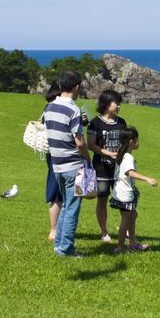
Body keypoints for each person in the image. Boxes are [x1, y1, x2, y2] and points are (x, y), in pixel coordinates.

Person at [43, 70, 91, 258]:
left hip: (57, 165)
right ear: (77, 87)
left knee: (65, 205)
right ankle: (66, 249)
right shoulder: (74, 110)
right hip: (73, 165)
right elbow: (79, 142)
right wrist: (87, 159)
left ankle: (59, 244)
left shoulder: (49, 107)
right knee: (72, 207)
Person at [86, 90, 126, 244]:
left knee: (123, 198)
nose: (119, 106)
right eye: (117, 103)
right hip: (101, 168)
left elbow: (126, 142)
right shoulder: (95, 123)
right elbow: (91, 145)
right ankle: (104, 232)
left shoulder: (121, 122)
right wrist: (109, 154)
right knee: (102, 199)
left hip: (118, 168)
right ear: (107, 104)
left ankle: (126, 229)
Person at [110, 127, 158, 253]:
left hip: (122, 191)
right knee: (126, 220)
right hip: (124, 193)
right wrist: (147, 179)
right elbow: (129, 172)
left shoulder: (123, 153)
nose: (138, 142)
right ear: (131, 141)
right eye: (137, 139)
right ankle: (120, 247)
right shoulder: (127, 157)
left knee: (132, 215)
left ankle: (132, 243)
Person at [41, 81, 63, 243]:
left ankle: (57, 229)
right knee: (57, 193)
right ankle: (54, 230)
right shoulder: (54, 107)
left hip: (54, 154)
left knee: (59, 192)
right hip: (59, 155)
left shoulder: (49, 107)